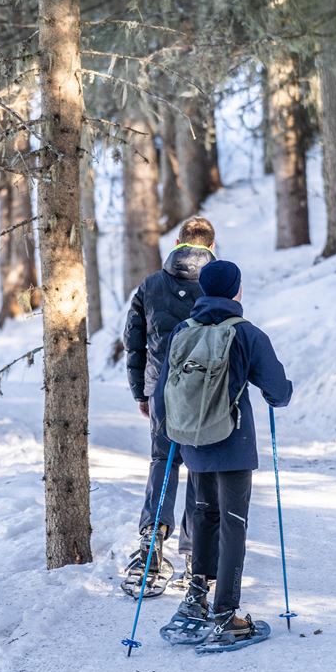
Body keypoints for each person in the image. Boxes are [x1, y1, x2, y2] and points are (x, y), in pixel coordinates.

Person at [152, 258, 293, 643]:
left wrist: (171, 433)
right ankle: (226, 613)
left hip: (193, 442)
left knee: (204, 517)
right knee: (233, 525)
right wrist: (279, 393)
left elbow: (163, 390)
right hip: (232, 443)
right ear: (236, 290)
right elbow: (278, 392)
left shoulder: (183, 330)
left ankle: (196, 596)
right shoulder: (247, 334)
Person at [122, 216, 216, 591]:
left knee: (163, 461)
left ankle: (152, 542)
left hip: (162, 390)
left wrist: (141, 392)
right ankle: (195, 553)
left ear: (177, 241)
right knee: (197, 465)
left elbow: (135, 342)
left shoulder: (151, 285)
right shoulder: (219, 283)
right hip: (204, 392)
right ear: (211, 245)